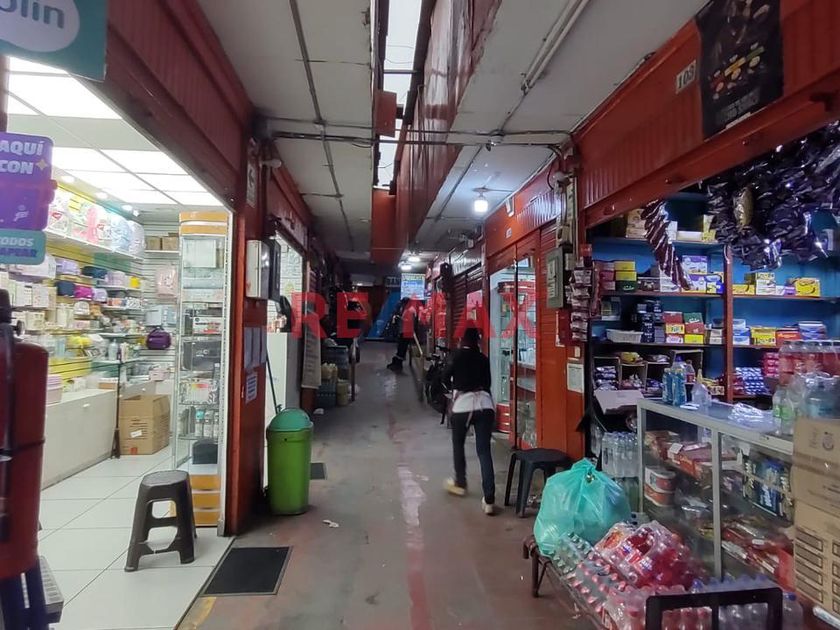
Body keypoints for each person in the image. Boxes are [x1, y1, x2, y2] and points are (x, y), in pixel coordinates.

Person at [441, 326, 496, 515]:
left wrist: (452, 388)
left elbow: (444, 378)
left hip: (462, 406)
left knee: (458, 444)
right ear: (478, 342)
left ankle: (460, 482)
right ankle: (489, 499)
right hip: (485, 405)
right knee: (484, 451)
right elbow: (487, 384)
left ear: (462, 340)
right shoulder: (483, 359)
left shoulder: (456, 356)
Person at [386, 298, 417, 372]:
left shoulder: (410, 310)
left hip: (406, 332)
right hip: (404, 331)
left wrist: (400, 319)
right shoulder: (407, 309)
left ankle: (398, 364)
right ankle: (397, 363)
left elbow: (409, 321)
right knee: (400, 347)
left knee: (402, 348)